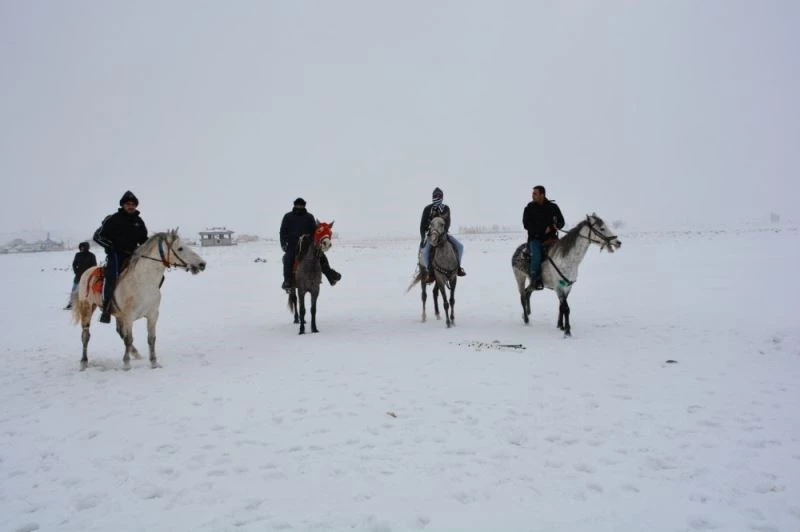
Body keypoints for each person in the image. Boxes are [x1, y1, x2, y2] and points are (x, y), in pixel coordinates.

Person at [93, 190, 148, 323]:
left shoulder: (138, 221)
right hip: (116, 255)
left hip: (133, 256)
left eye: (133, 204)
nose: (131, 206)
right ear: (123, 205)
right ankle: (107, 308)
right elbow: (98, 236)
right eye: (128, 204)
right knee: (112, 276)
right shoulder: (114, 219)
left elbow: (143, 240)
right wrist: (110, 246)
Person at [279, 197, 341, 291]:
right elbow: (283, 231)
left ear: (304, 206)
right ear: (294, 205)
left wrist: (321, 232)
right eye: (298, 205)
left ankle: (331, 276)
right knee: (288, 259)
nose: (299, 207)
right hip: (292, 245)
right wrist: (283, 244)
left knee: (321, 256)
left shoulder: (309, 217)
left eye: (301, 205)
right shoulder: (287, 216)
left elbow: (314, 231)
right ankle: (287, 281)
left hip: (307, 244)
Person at [522, 185, 565, 290]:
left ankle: (563, 278)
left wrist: (556, 225)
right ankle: (535, 280)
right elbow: (526, 225)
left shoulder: (553, 207)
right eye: (533, 193)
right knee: (536, 256)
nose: (532, 195)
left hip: (551, 239)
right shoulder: (529, 208)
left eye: (535, 193)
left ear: (542, 194)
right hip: (535, 239)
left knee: (563, 253)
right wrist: (542, 230)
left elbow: (561, 222)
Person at [419, 187, 466, 280]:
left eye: (439, 196)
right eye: (435, 196)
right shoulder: (427, 209)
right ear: (432, 197)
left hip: (443, 235)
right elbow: (422, 225)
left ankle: (458, 268)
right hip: (431, 236)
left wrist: (442, 234)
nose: (437, 198)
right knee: (424, 252)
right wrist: (423, 238)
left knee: (460, 246)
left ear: (442, 197)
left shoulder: (446, 208)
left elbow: (448, 223)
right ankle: (430, 271)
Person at [64, 241, 97, 310]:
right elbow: (74, 264)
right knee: (74, 290)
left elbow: (94, 266)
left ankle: (87, 303)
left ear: (87, 247)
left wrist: (90, 274)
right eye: (81, 247)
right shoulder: (78, 255)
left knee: (87, 290)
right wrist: (76, 272)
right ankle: (71, 304)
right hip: (78, 276)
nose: (82, 248)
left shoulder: (91, 255)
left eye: (84, 247)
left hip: (88, 277)